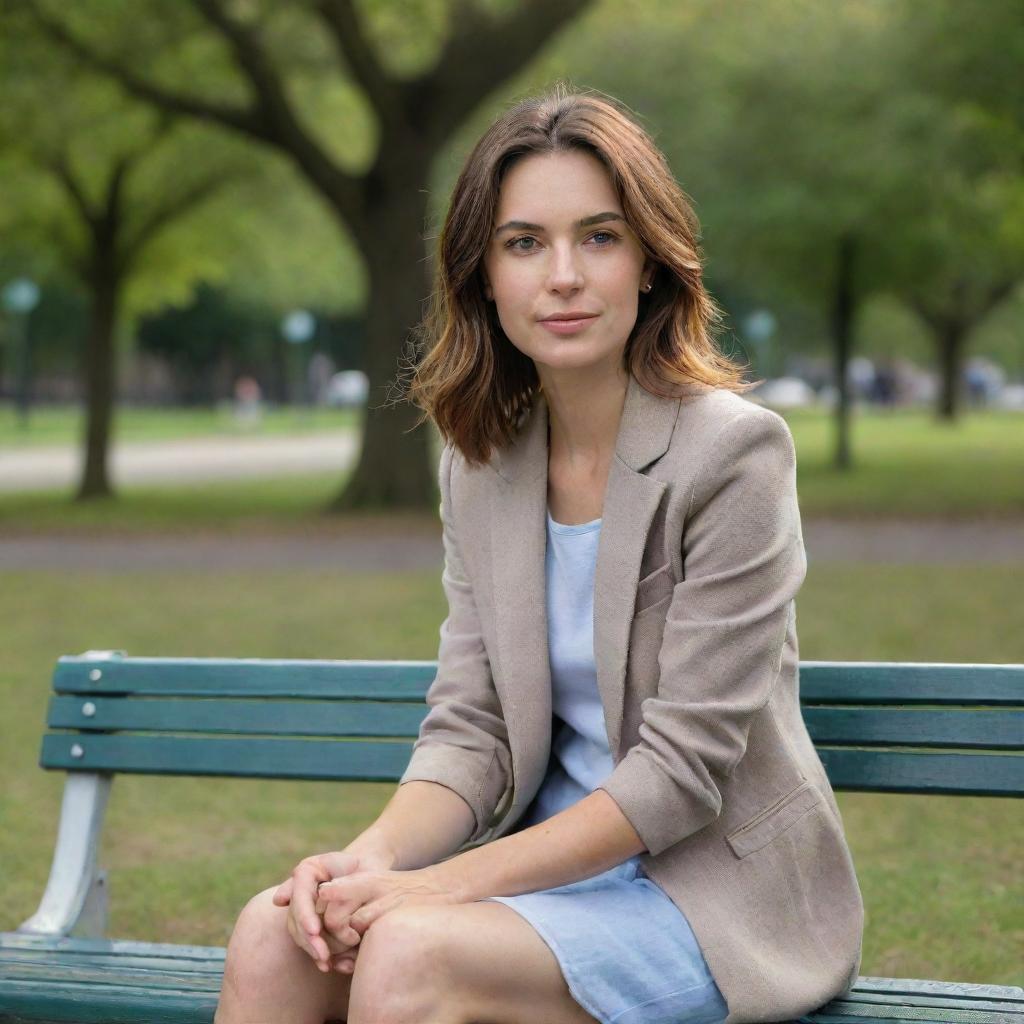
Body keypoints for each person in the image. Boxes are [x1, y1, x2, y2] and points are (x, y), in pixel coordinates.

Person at [214, 83, 864, 1024]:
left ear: (649, 262)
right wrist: (377, 859)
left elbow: (681, 772)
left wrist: (447, 890)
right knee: (271, 935)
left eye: (598, 237)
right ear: (483, 274)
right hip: (540, 879)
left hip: (709, 900)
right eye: (525, 243)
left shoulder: (733, 454)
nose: (563, 275)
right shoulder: (481, 469)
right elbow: (470, 729)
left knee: (411, 952)